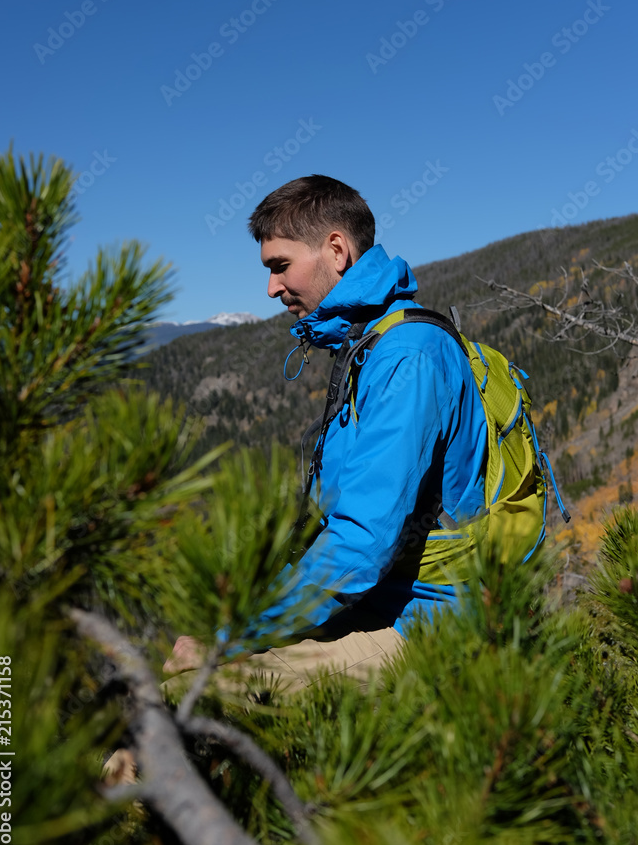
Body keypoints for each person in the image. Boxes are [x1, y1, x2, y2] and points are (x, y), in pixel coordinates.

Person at [164, 175, 488, 693]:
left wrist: (231, 639)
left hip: (428, 621)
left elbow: (359, 544)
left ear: (336, 249)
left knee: (186, 699)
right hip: (381, 603)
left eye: (280, 266)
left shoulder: (406, 356)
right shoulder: (368, 345)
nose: (271, 287)